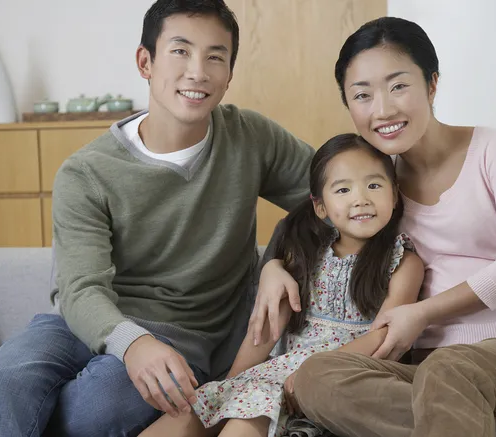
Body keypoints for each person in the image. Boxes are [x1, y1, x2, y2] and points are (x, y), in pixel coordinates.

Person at [0, 1, 315, 435]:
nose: (197, 72)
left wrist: (276, 262)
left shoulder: (251, 138)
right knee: (0, 384)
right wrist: (132, 343)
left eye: (215, 56)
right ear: (145, 62)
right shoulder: (86, 172)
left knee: (101, 406)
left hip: (187, 333)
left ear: (229, 75)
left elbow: (338, 194)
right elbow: (79, 289)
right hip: (83, 324)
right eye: (180, 51)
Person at [251, 16, 496, 437]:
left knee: (449, 372)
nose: (382, 110)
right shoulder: (375, 188)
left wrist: (422, 313)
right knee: (317, 377)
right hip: (425, 362)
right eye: (362, 95)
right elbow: (312, 221)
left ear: (432, 84)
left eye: (398, 86)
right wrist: (272, 266)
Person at [139, 133, 424, 437]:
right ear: (321, 207)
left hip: (337, 376)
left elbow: (386, 334)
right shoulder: (307, 253)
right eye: (343, 189)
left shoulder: (403, 261)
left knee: (244, 420)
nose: (361, 198)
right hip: (276, 373)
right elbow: (268, 325)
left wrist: (315, 374)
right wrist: (231, 383)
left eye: (374, 185)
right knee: (191, 413)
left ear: (394, 195)